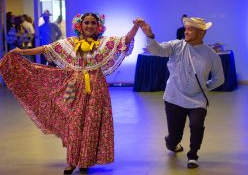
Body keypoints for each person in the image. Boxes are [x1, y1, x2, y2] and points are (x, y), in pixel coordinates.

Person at [0, 13, 143, 174]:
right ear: (80, 26)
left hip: (97, 88)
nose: (89, 26)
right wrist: (23, 52)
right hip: (75, 87)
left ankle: (85, 161)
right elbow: (48, 48)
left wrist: (136, 26)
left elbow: (125, 41)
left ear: (98, 26)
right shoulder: (70, 43)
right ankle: (72, 161)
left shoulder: (103, 43)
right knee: (75, 124)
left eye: (93, 23)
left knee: (91, 124)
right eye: (86, 23)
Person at [138, 17, 225, 168]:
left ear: (201, 33)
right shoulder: (176, 45)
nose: (186, 31)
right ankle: (171, 142)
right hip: (174, 97)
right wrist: (150, 36)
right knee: (175, 136)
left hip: (197, 99)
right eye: (186, 28)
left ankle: (193, 156)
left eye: (191, 29)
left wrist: (205, 87)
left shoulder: (211, 54)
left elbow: (219, 78)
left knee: (197, 125)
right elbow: (156, 50)